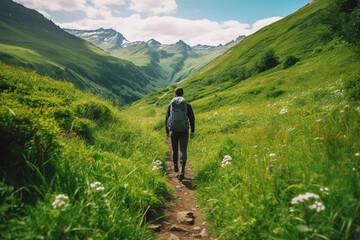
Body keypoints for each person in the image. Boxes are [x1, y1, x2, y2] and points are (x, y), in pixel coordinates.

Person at [166, 87, 195, 181]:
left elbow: (167, 118)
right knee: (183, 150)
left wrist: (167, 130)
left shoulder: (171, 104)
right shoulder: (187, 105)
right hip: (184, 130)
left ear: (175, 94)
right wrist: (192, 130)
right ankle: (182, 169)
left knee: (174, 149)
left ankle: (175, 166)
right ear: (183, 94)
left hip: (173, 130)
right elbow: (191, 118)